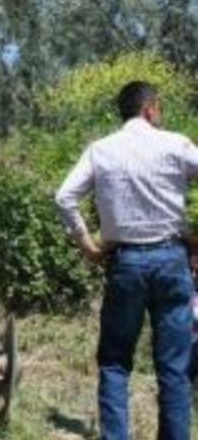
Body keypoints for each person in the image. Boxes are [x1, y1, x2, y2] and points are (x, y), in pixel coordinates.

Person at [55, 81, 197, 440]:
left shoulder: (101, 150)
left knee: (116, 362)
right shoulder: (176, 145)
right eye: (159, 109)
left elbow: (64, 197)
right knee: (174, 367)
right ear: (150, 108)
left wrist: (87, 244)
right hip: (171, 259)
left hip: (126, 262)